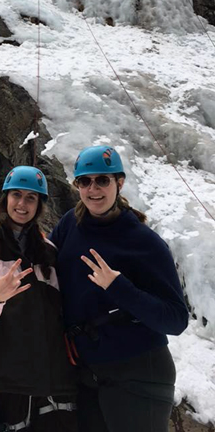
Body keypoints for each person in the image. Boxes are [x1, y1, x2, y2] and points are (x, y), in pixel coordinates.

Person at [49, 145, 189, 432]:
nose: (93, 189)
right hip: (89, 372)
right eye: (85, 181)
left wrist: (118, 287)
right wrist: (3, 234)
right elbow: (44, 260)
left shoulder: (144, 242)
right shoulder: (70, 225)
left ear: (119, 183)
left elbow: (176, 319)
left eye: (103, 180)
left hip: (139, 373)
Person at [0, 165, 77, 432]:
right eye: (16, 195)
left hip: (53, 387)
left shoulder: (50, 252)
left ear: (39, 205)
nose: (22, 204)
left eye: (31, 197)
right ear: (6, 199)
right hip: (3, 383)